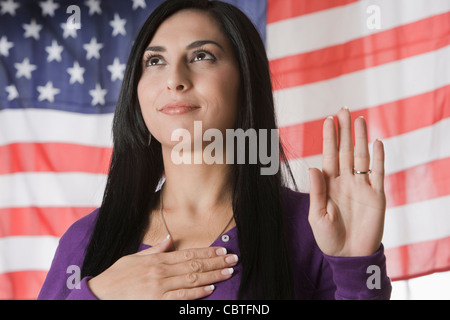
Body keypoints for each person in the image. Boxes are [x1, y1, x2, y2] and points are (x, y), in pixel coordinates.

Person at [38, 0, 391, 300]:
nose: (174, 79)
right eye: (155, 61)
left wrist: (357, 266)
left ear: (245, 81)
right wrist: (98, 294)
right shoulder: (85, 241)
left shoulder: (314, 228)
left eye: (202, 55)